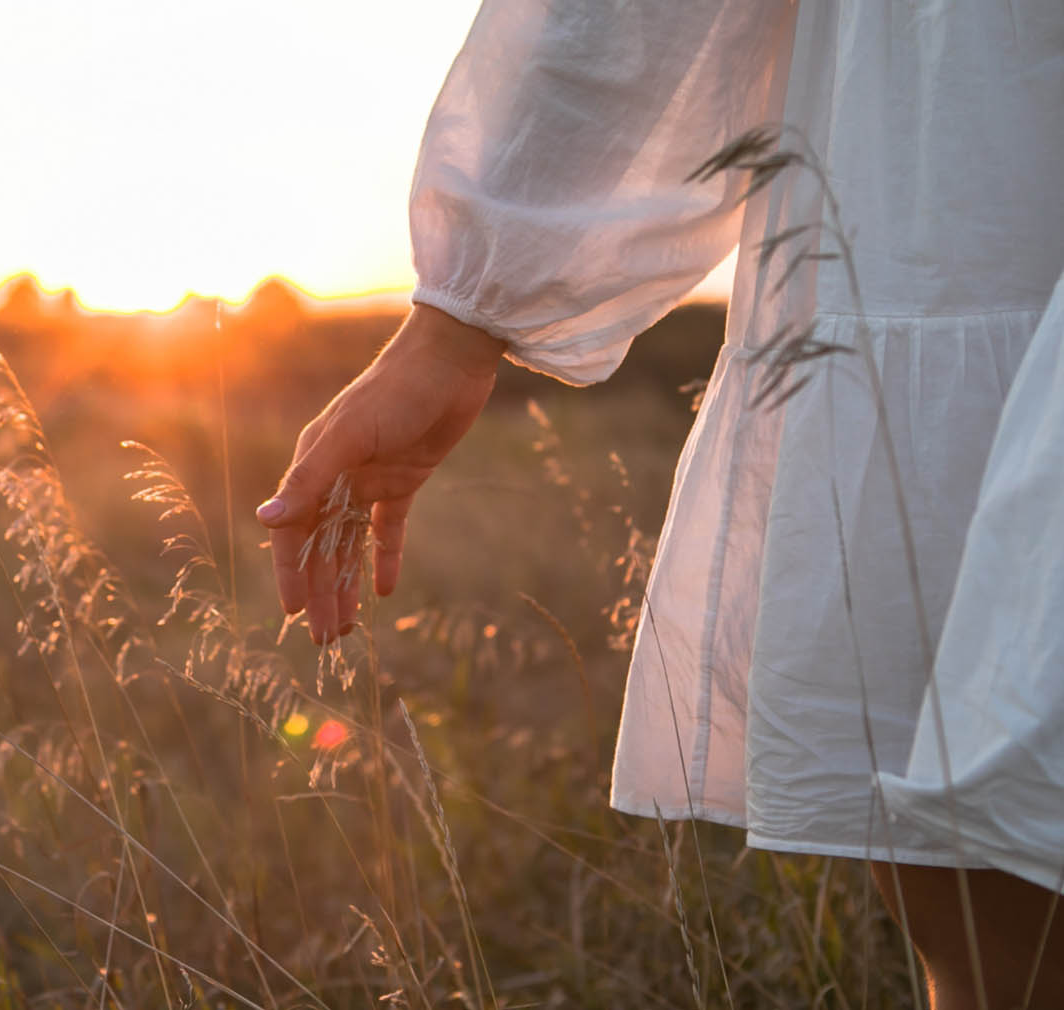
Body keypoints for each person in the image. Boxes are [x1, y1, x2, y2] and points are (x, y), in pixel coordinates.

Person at [255, 1, 1064, 1006]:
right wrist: (456, 327)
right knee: (992, 904)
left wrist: (460, 321)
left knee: (1000, 916)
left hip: (960, 189)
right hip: (969, 182)